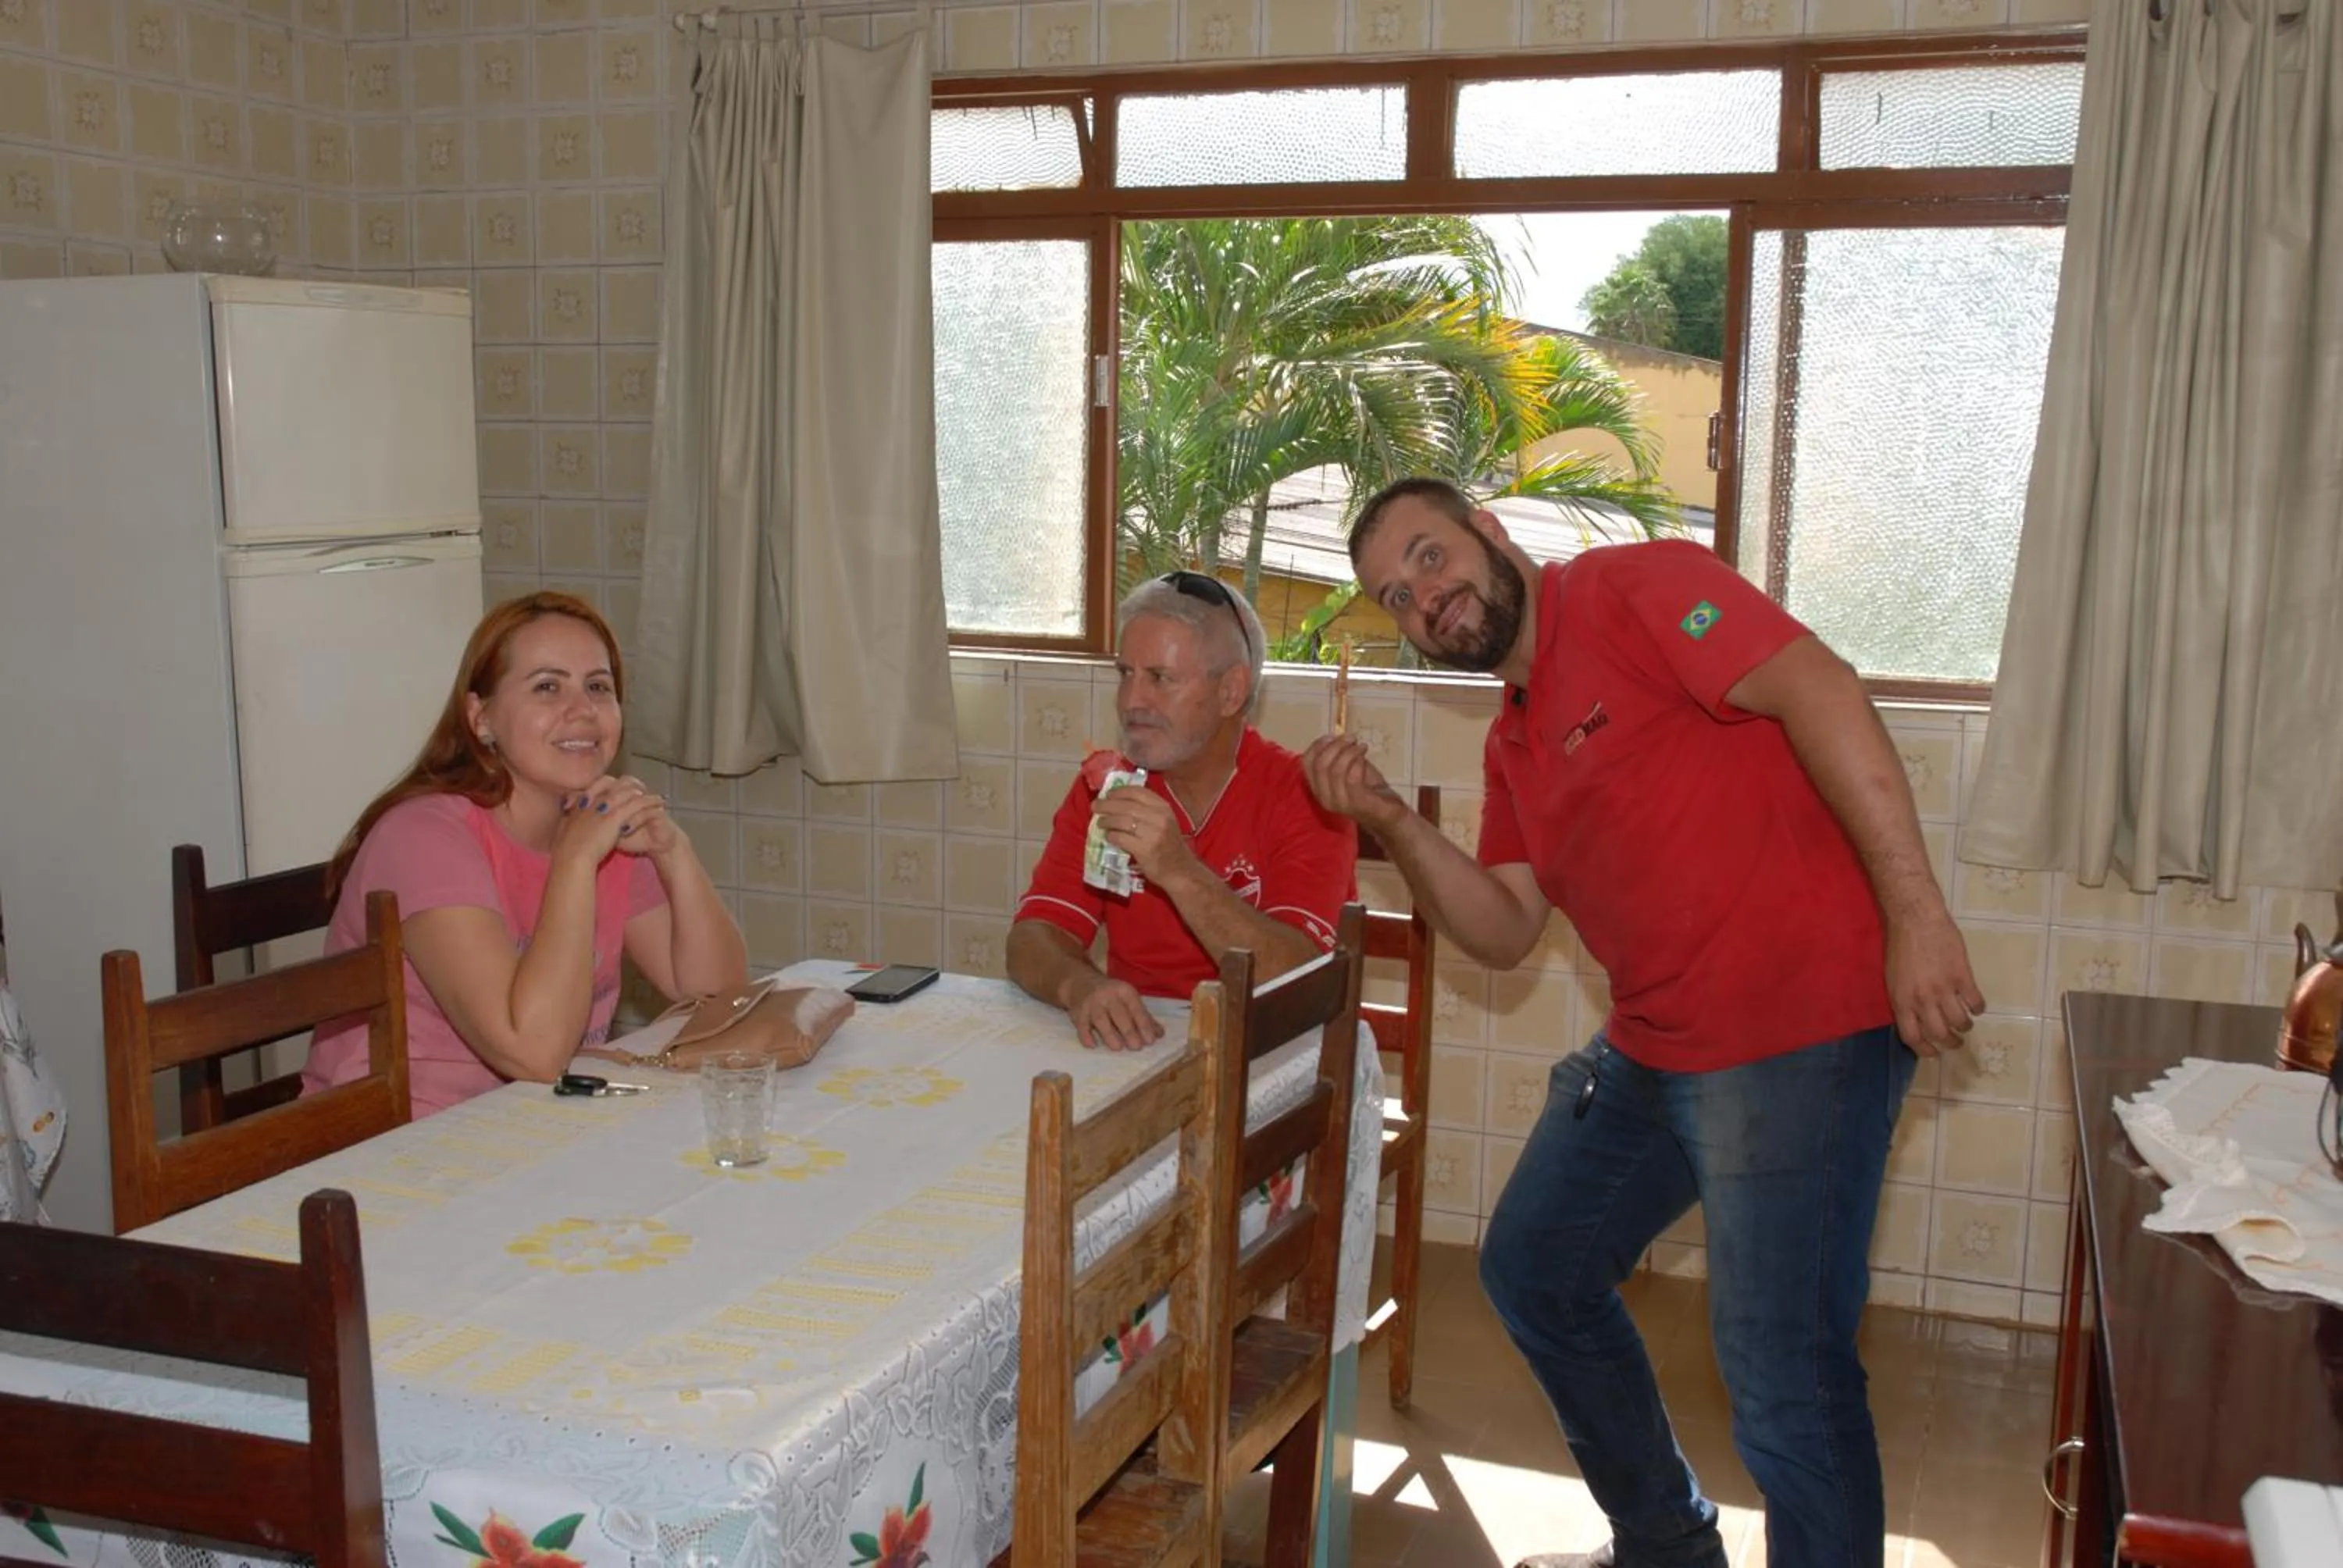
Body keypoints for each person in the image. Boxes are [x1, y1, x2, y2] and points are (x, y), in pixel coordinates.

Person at [1301, 479, 1984, 1568]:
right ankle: (1667, 1547)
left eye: (1431, 558)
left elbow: (1819, 684)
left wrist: (1916, 912)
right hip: (1659, 1046)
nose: (1425, 598)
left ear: (1489, 530)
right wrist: (1386, 816)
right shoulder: (1514, 741)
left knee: (1782, 1378)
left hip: (1800, 1030)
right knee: (1533, 1266)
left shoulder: (1635, 588)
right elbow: (1507, 928)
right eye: (1396, 594)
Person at [303, 592, 748, 1116]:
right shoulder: (423, 837)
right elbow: (534, 1054)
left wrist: (675, 851)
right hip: (388, 1144)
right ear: (481, 717)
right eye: (547, 687)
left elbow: (720, 1001)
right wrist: (576, 862)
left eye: (598, 687)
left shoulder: (596, 828)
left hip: (529, 1126)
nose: (582, 711)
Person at [1007, 571, 1357, 1050]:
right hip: (1139, 1046)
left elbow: (1299, 984)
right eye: (1125, 674)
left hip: (1276, 1050)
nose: (1131, 701)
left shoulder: (1309, 796)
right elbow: (1033, 936)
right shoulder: (1106, 789)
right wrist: (1081, 985)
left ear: (1231, 691)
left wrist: (1177, 869)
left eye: (1160, 678)